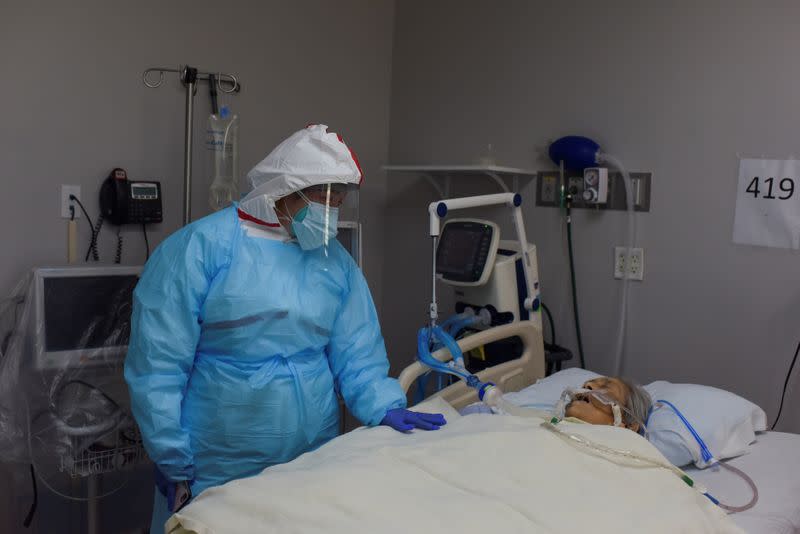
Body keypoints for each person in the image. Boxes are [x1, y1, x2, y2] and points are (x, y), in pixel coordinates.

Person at [124, 125, 446, 532]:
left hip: (312, 451)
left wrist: (384, 405)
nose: (332, 212)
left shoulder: (333, 261)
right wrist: (171, 455)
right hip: (220, 455)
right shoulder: (200, 249)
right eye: (324, 198)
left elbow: (357, 351)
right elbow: (158, 365)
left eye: (339, 200)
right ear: (283, 191)